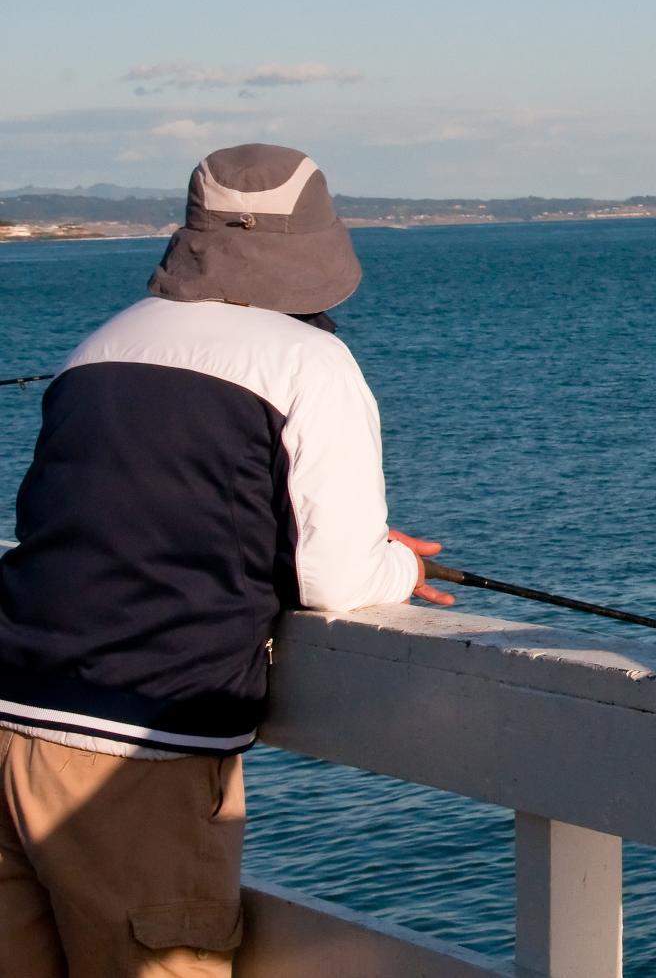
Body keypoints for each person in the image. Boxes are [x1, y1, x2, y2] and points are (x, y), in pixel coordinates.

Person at [0, 144, 454, 976]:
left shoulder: (102, 344)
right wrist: (397, 566)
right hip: (131, 743)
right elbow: (337, 581)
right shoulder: (310, 363)